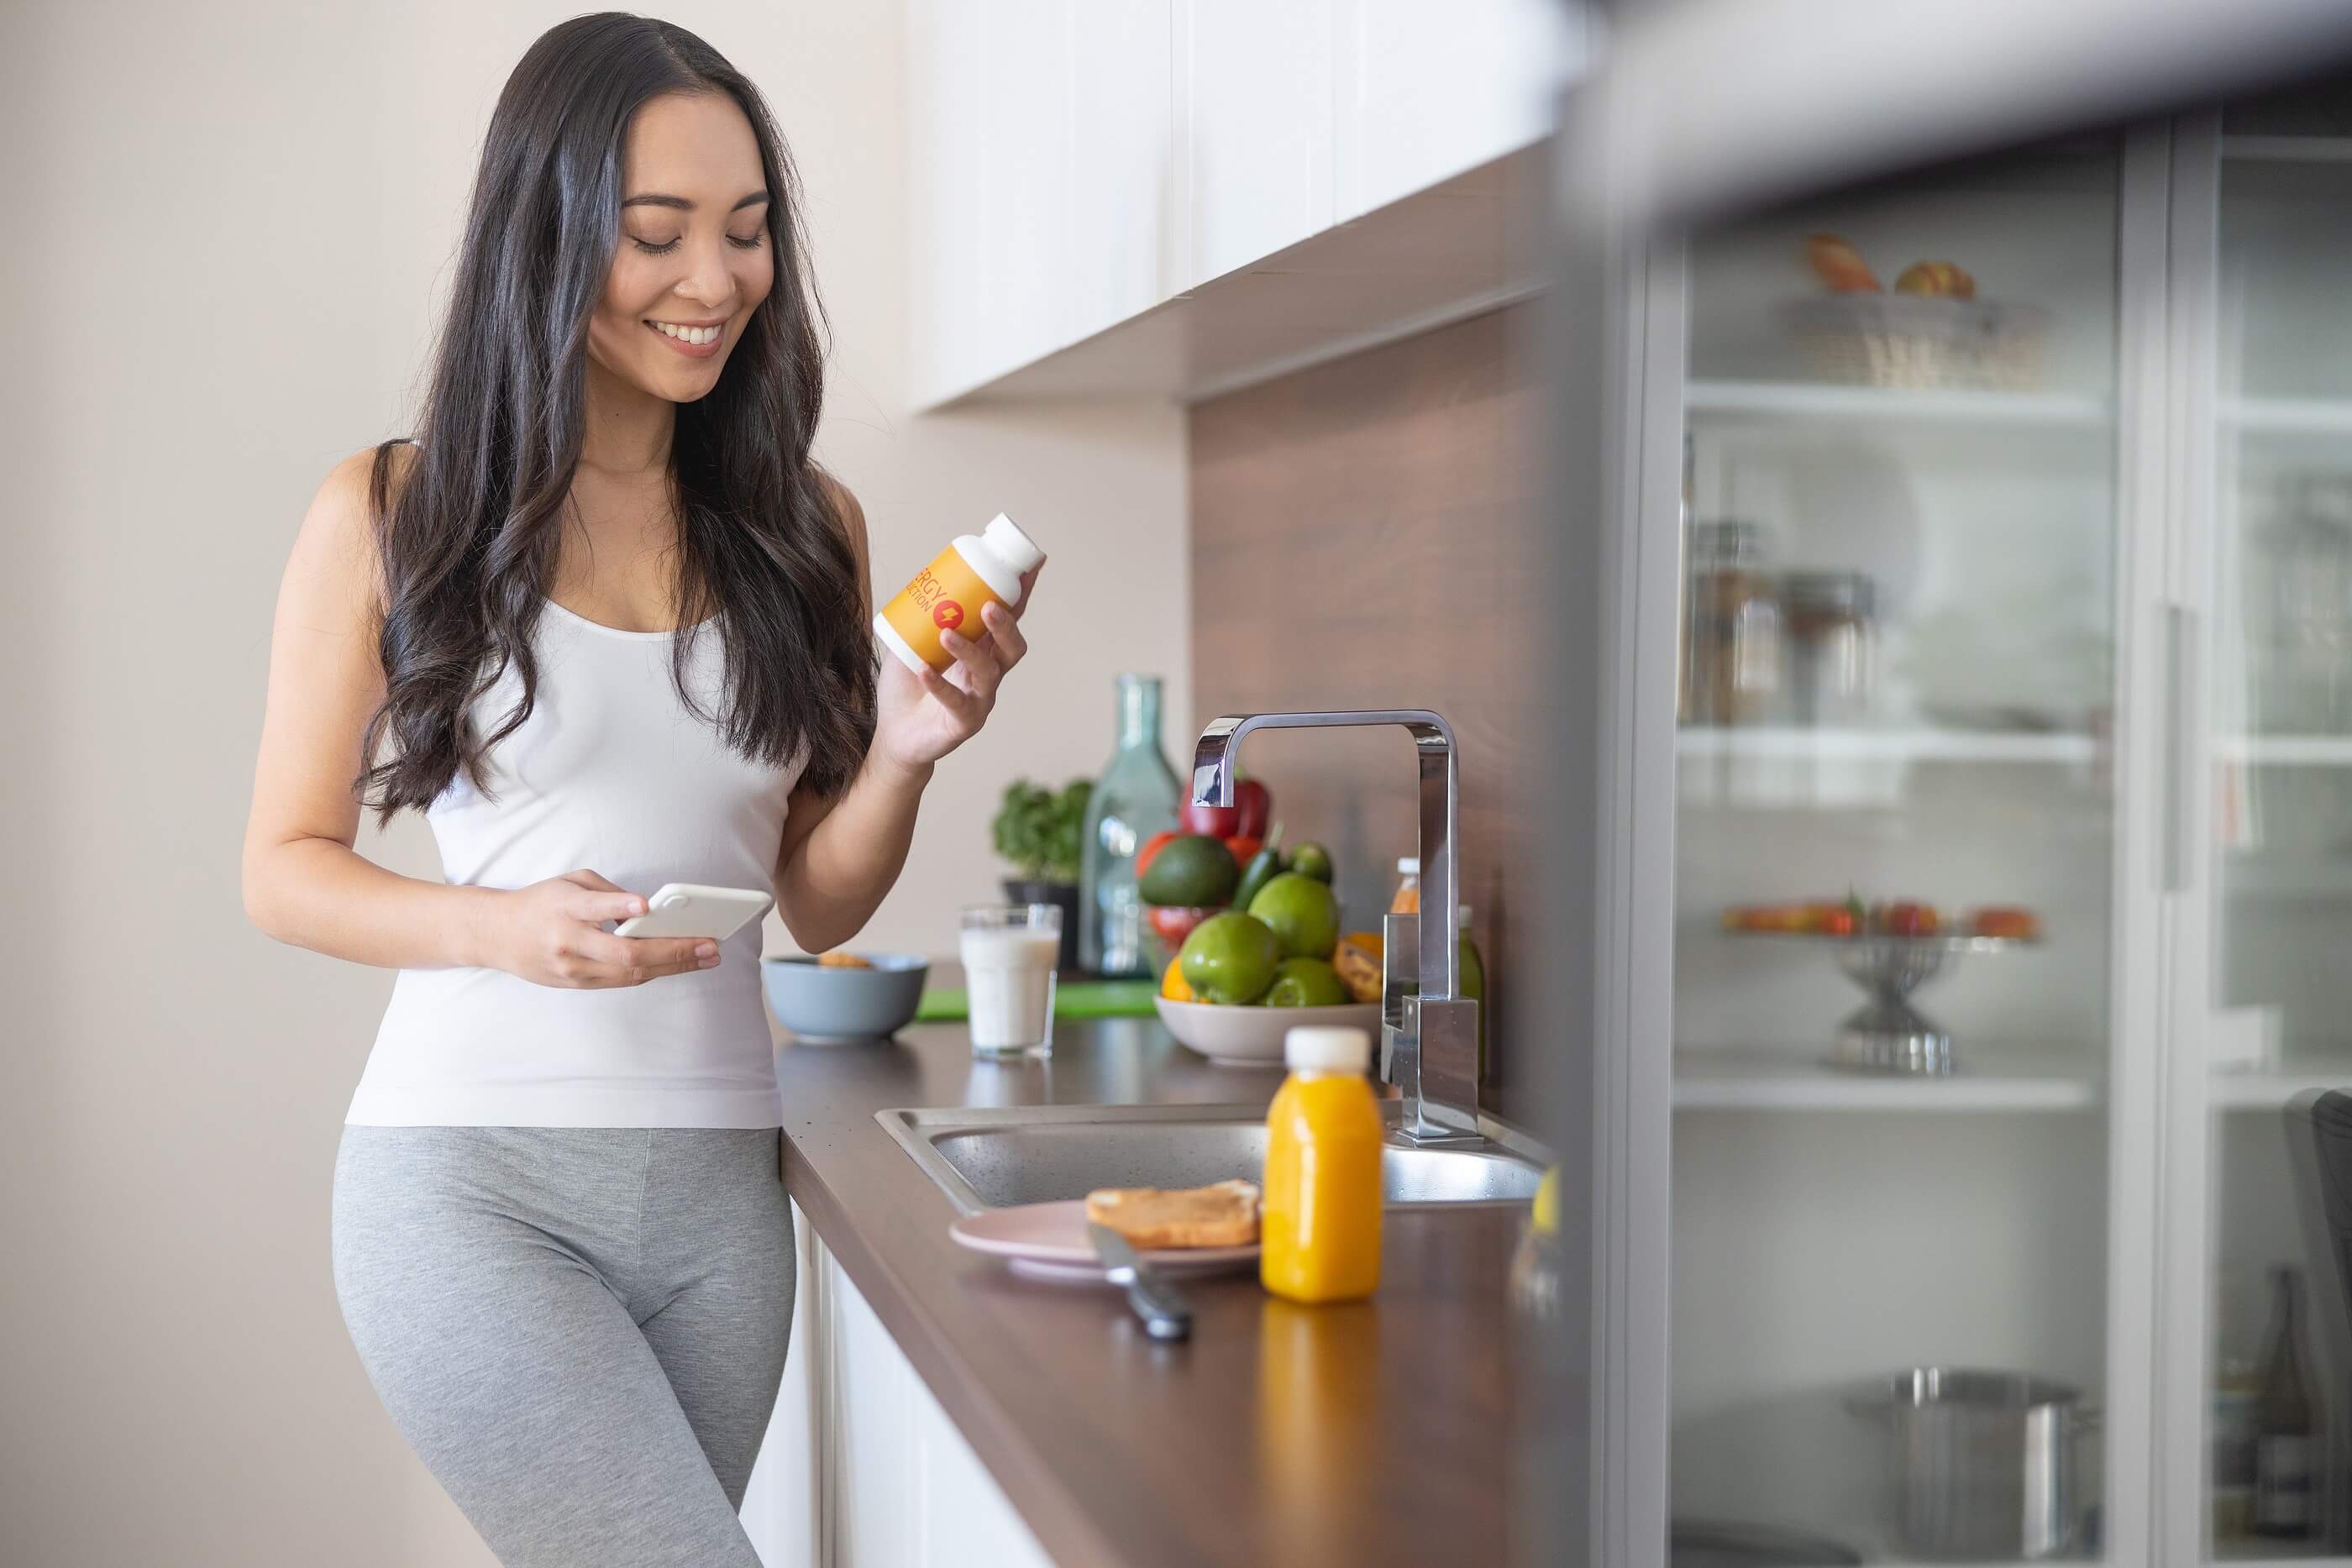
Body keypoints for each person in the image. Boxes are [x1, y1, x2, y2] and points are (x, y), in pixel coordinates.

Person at [239, 16, 1032, 1565]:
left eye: (746, 234)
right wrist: (500, 929)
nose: (715, 281)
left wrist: (906, 755)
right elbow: (283, 866)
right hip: (471, 1187)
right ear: (546, 239)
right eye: (656, 235)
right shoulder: (395, 512)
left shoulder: (808, 525)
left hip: (722, 1203)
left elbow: (816, 892)